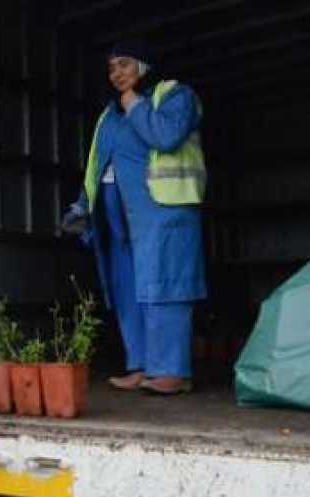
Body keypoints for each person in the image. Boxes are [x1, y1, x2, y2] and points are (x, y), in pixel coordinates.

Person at [62, 40, 207, 396]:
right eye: (111, 68)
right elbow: (97, 163)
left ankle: (172, 371)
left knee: (165, 285)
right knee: (128, 288)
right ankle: (141, 366)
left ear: (144, 66)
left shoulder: (175, 96)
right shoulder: (109, 114)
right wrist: (82, 206)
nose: (116, 74)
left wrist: (134, 103)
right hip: (119, 218)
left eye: (124, 64)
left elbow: (166, 137)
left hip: (162, 210)